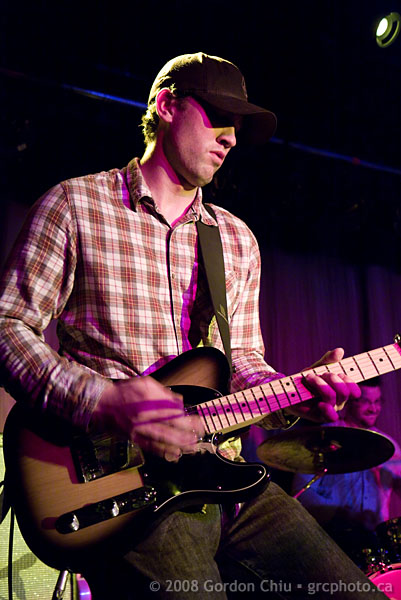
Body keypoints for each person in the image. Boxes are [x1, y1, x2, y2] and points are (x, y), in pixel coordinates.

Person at [0, 52, 388, 598]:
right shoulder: (75, 206)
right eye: (219, 118)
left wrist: (300, 396)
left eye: (238, 130)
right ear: (165, 106)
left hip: (226, 475)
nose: (231, 139)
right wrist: (103, 402)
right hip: (128, 488)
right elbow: (7, 326)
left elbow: (243, 363)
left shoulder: (234, 238)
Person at [292, 379, 401, 567]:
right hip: (329, 539)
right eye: (366, 402)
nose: (373, 409)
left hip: (376, 545)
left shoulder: (390, 447)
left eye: (377, 402)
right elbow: (302, 494)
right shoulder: (325, 437)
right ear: (349, 402)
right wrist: (342, 513)